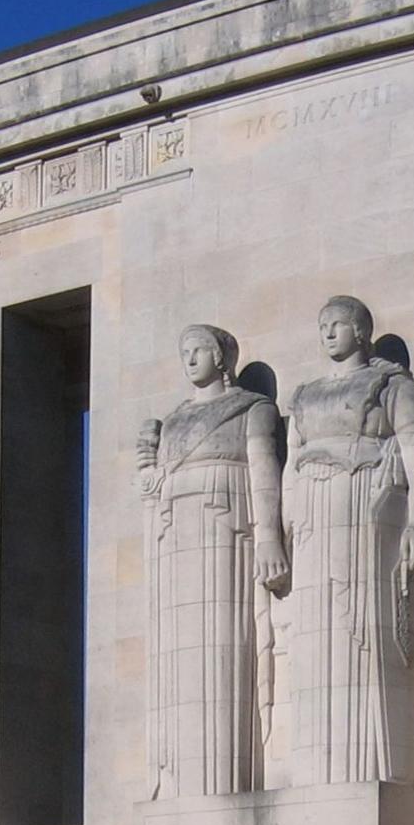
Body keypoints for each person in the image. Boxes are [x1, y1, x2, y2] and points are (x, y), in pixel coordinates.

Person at [266, 294, 414, 788]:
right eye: (322, 325)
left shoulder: (389, 385)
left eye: (337, 324)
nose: (328, 332)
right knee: (316, 636)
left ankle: (368, 765)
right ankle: (315, 769)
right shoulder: (305, 394)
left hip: (366, 510)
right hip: (316, 520)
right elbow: (289, 468)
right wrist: (284, 528)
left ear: (361, 331)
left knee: (363, 628)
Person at [137, 323, 283, 800]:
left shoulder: (252, 410)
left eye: (199, 349)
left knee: (225, 647)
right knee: (180, 662)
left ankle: (229, 784)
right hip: (179, 543)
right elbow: (151, 491)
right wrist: (147, 469)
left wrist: (270, 540)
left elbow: (264, 476)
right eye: (184, 351)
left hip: (227, 538)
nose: (190, 358)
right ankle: (181, 784)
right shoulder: (174, 420)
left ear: (223, 357)